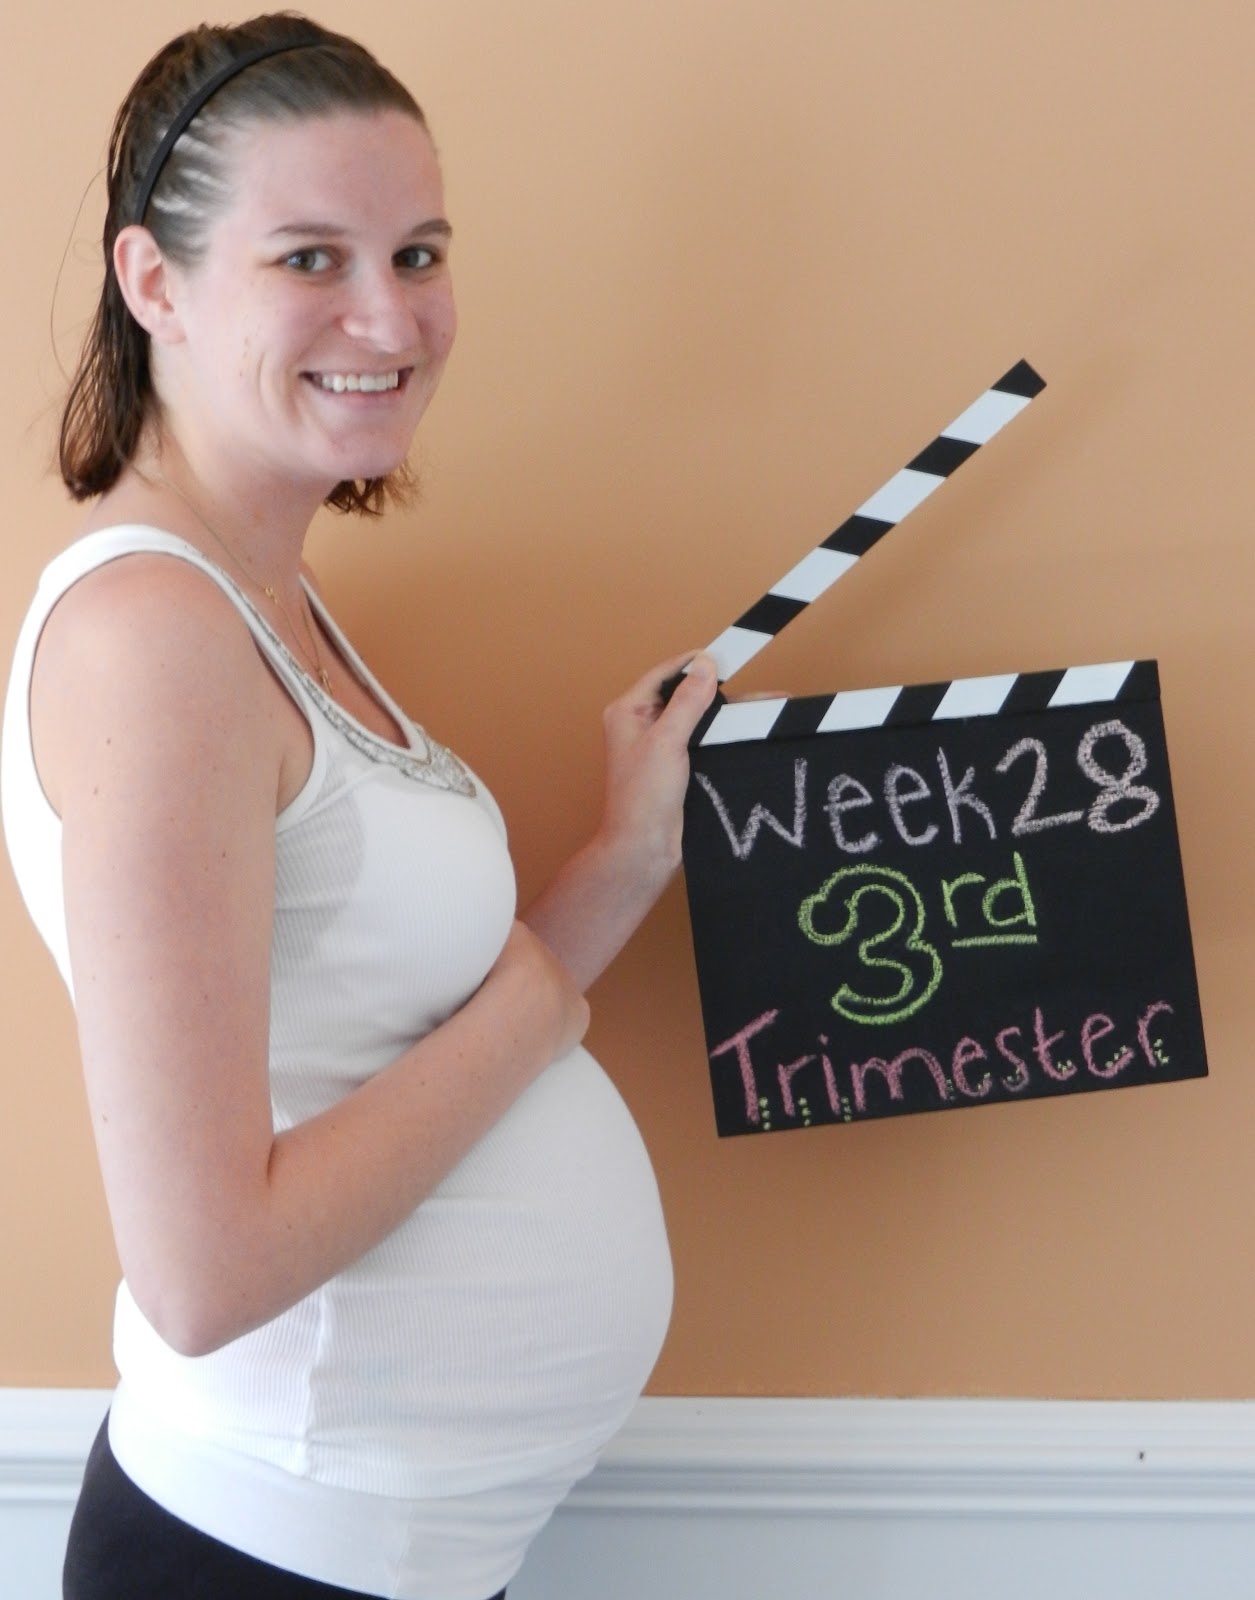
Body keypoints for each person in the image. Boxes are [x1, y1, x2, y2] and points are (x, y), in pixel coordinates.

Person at [1, 15, 719, 1599]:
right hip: (268, 1548)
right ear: (154, 282)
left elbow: (384, 1025)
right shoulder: (152, 639)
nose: (388, 317)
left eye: (419, 253)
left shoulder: (270, 601)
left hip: (390, 1547)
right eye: (311, 258)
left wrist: (619, 862)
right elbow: (205, 1272)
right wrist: (539, 1005)